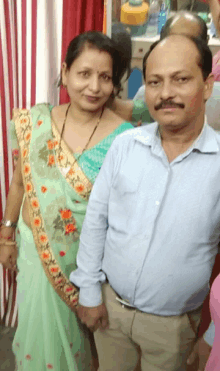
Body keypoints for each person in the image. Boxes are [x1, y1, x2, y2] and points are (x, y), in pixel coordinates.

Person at [70, 34, 220, 371]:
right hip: (110, 313)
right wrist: (90, 293)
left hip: (174, 327)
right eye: (155, 82)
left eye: (180, 79)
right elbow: (97, 220)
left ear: (207, 85)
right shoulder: (125, 145)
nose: (166, 93)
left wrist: (212, 335)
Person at [0, 31, 133, 371]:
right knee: (36, 335)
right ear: (66, 71)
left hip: (83, 263)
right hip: (34, 250)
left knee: (78, 344)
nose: (94, 86)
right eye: (84, 73)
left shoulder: (124, 137)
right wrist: (6, 235)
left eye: (105, 77)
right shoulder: (36, 122)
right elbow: (19, 182)